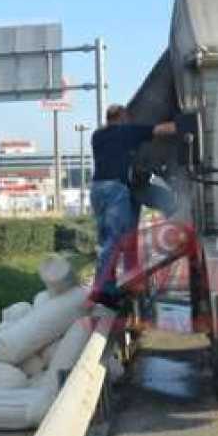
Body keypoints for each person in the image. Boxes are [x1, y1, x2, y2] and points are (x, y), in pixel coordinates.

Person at [89, 104, 177, 308]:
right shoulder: (126, 131)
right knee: (115, 239)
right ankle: (103, 289)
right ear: (122, 118)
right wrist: (185, 124)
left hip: (97, 189)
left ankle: (122, 283)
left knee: (110, 239)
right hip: (115, 189)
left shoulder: (97, 136)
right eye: (127, 118)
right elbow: (162, 129)